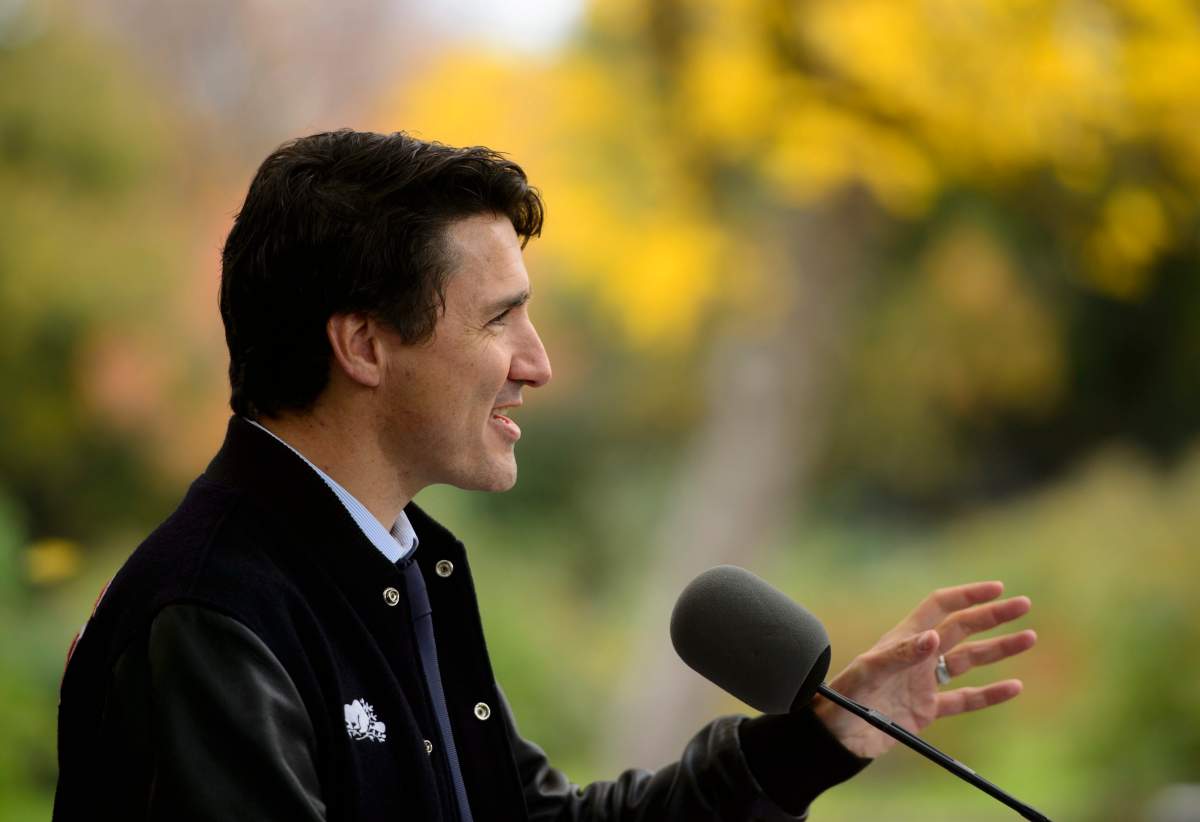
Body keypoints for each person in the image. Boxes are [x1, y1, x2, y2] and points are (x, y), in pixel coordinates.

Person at [54, 130, 1037, 821]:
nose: (539, 361)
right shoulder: (212, 619)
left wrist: (816, 742)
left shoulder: (398, 566)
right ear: (362, 345)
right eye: (498, 318)